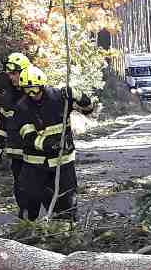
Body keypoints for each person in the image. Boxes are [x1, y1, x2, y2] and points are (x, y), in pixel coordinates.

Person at [13, 66, 95, 222]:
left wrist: (76, 95)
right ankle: (26, 232)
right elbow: (28, 136)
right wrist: (49, 144)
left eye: (35, 90)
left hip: (63, 162)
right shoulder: (22, 107)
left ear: (43, 86)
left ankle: (67, 230)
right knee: (30, 201)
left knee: (67, 202)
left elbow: (88, 110)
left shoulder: (60, 97)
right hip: (35, 165)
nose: (32, 95)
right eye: (27, 91)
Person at [0, 52, 32, 214]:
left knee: (37, 186)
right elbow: (4, 120)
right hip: (15, 150)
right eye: (9, 74)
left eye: (14, 73)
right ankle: (25, 216)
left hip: (35, 150)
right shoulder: (8, 95)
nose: (11, 77)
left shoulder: (34, 92)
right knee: (19, 184)